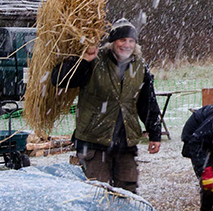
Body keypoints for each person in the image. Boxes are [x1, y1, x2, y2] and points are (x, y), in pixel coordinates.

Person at [51, 18, 162, 192]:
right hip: (94, 142)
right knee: (97, 193)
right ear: (112, 42)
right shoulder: (94, 59)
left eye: (131, 41)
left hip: (125, 143)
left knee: (127, 192)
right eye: (122, 40)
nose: (127, 45)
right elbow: (60, 80)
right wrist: (83, 60)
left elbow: (147, 102)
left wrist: (155, 133)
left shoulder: (140, 66)